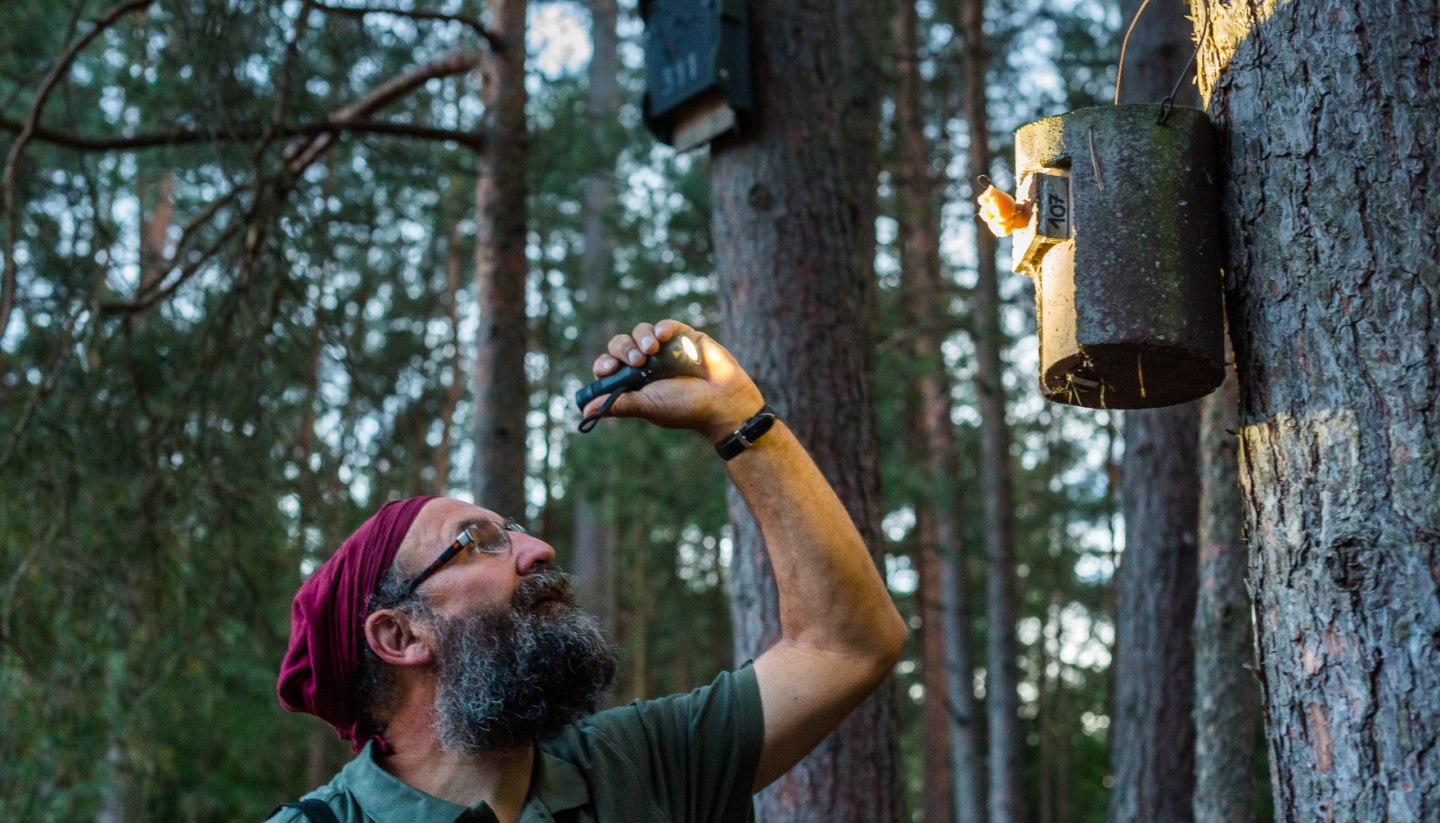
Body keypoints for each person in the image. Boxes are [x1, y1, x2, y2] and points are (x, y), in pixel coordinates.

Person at [268, 319, 909, 823]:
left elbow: (846, 645)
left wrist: (736, 415)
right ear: (400, 637)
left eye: (515, 530)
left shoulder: (643, 765)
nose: (538, 548)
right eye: (478, 540)